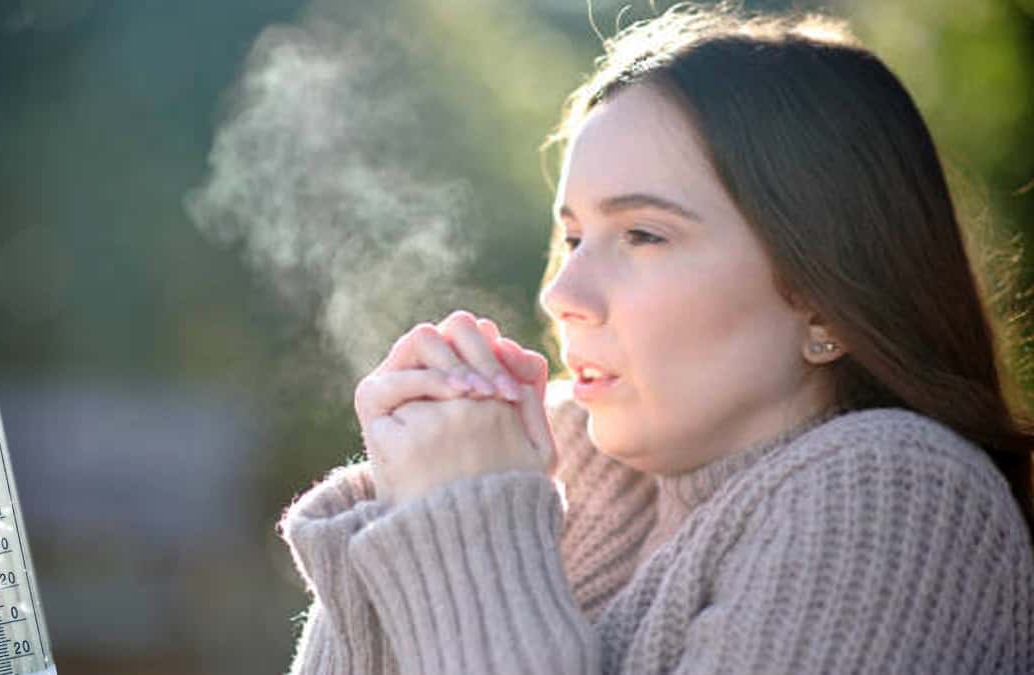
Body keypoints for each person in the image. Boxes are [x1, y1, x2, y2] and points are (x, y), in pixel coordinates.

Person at [277, 2, 1034, 673]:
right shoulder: (566, 474)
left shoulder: (897, 496)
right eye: (572, 238)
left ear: (826, 302)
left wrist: (474, 525)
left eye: (642, 233)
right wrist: (405, 515)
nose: (561, 294)